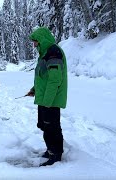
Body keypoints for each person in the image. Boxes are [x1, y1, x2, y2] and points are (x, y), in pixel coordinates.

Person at [26, 27, 68, 166]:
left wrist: (48, 101)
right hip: (44, 98)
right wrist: (34, 90)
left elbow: (55, 80)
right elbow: (43, 77)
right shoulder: (45, 53)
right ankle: (50, 150)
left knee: (52, 127)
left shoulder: (53, 52)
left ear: (41, 40)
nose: (34, 44)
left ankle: (56, 154)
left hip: (51, 99)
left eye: (35, 41)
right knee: (45, 126)